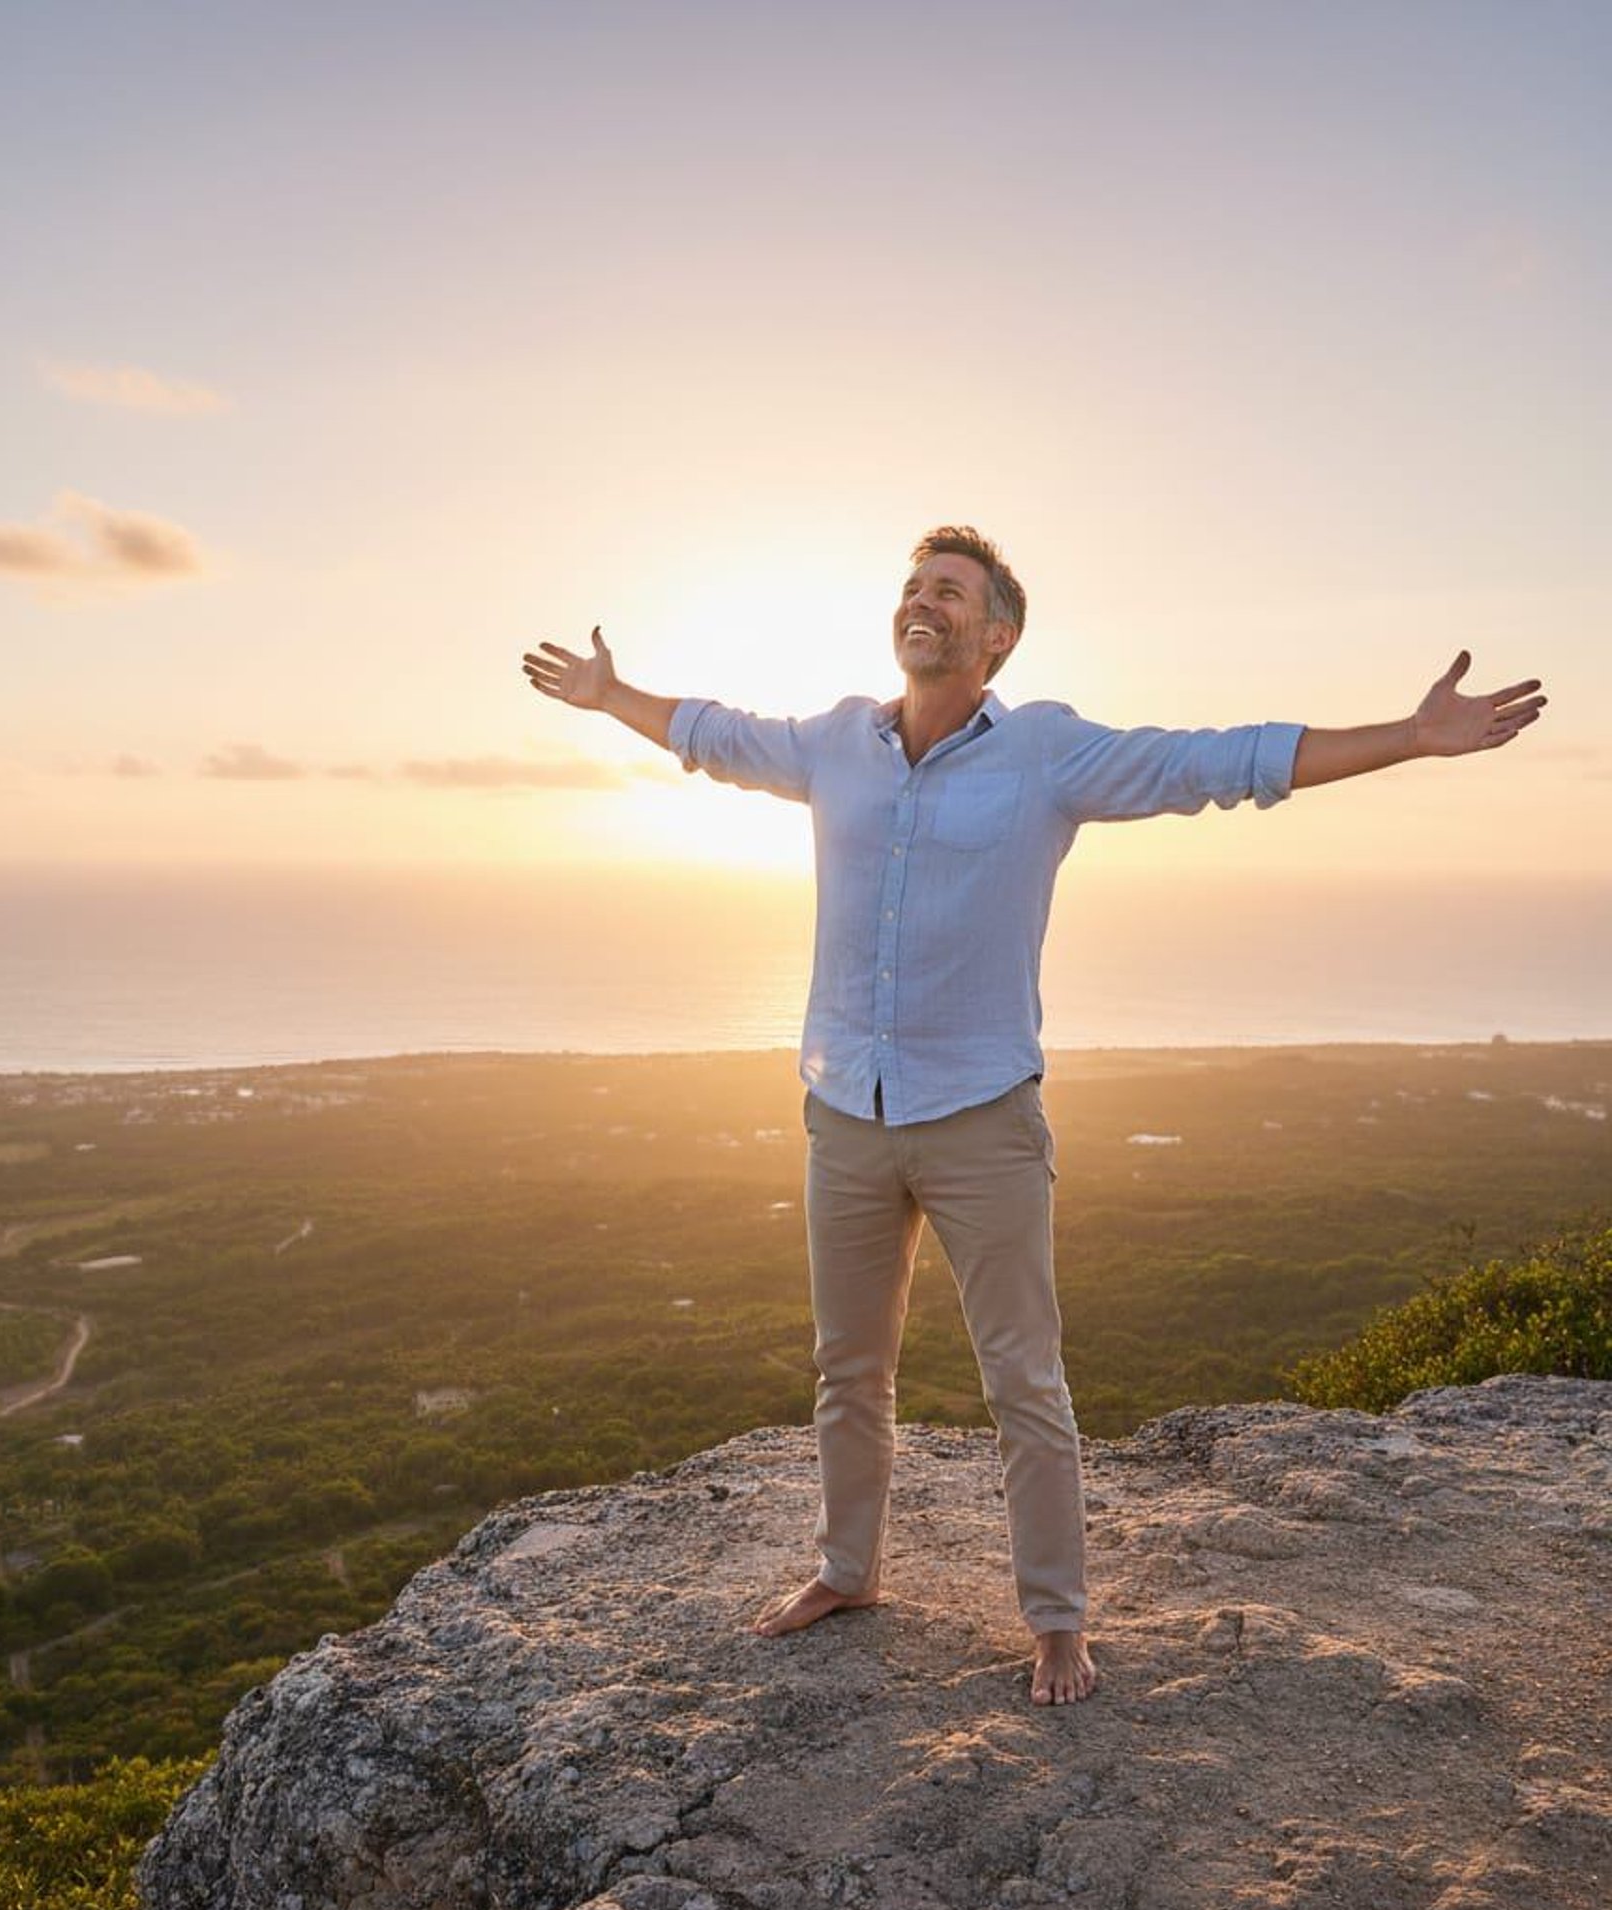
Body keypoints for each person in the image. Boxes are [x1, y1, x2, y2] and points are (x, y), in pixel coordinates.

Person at [519, 525, 1545, 1706]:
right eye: (913, 586)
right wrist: (612, 699)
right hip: (847, 1111)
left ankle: (1056, 1620)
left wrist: (1411, 739)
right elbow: (711, 735)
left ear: (995, 635)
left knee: (1024, 1381)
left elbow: (1220, 762)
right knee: (849, 1367)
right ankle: (846, 1571)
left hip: (981, 1120)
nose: (922, 601)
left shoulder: (1046, 754)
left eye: (948, 592)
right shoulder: (836, 744)